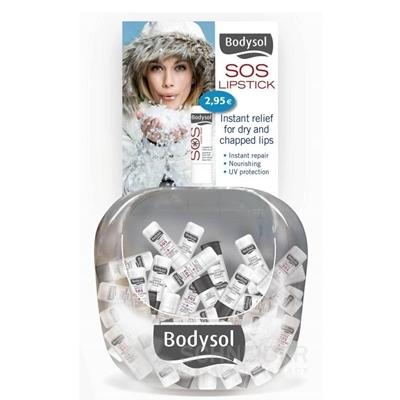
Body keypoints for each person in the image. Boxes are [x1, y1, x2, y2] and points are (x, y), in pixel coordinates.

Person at [122, 21, 214, 194]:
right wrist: (153, 146)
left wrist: (179, 148)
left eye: (180, 68)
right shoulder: (127, 122)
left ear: (195, 74)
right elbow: (126, 197)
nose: (168, 82)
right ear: (144, 73)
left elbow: (208, 196)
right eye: (157, 68)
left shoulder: (211, 121)